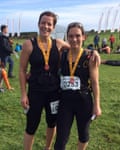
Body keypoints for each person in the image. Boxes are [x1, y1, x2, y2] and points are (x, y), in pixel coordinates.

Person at [19, 11, 101, 150]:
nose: (46, 26)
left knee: (52, 123)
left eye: (49, 24)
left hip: (54, 93)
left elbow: (77, 46)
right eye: (43, 23)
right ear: (38, 24)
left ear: (53, 27)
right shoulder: (29, 44)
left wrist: (93, 51)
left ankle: (48, 148)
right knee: (31, 125)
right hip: (35, 92)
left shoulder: (58, 44)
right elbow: (21, 70)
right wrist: (23, 94)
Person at [54, 22, 102, 150]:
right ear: (67, 37)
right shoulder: (62, 54)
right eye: (70, 36)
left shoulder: (89, 57)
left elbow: (95, 82)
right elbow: (56, 42)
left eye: (77, 36)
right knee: (61, 138)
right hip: (65, 101)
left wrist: (97, 105)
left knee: (83, 134)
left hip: (83, 100)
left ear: (84, 37)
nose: (74, 39)